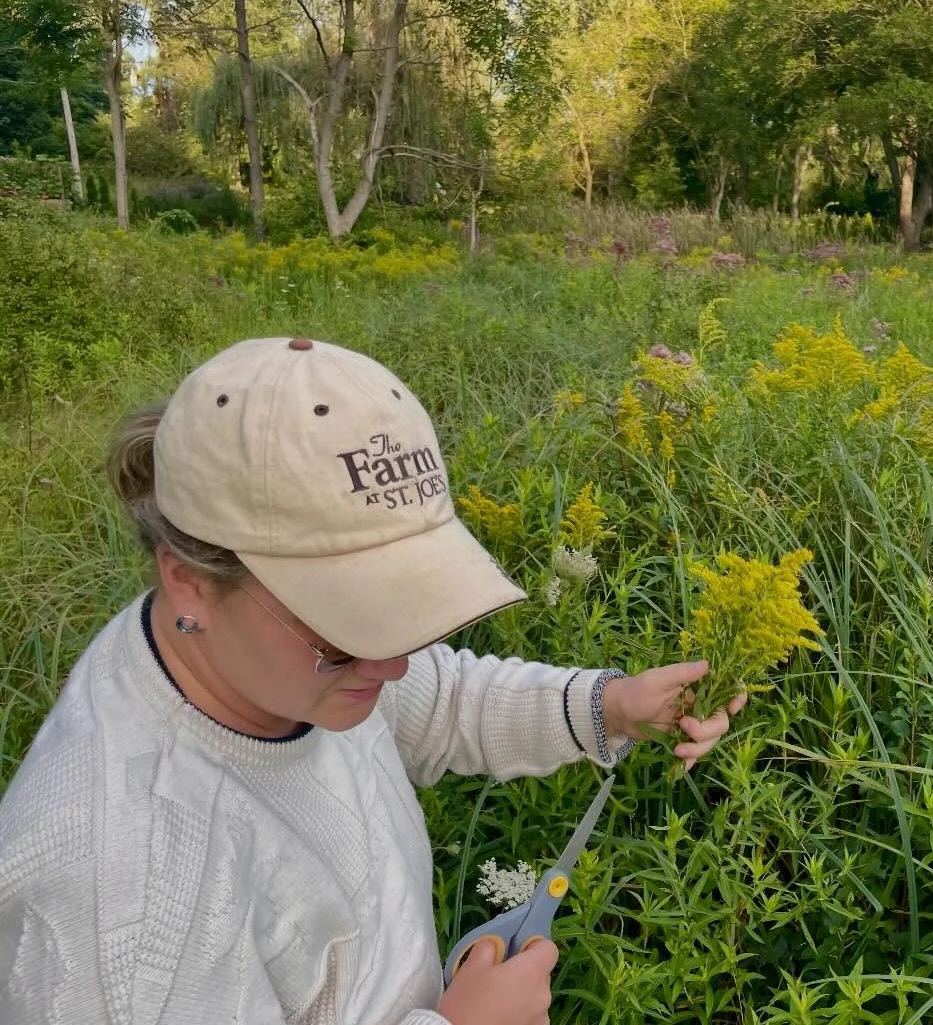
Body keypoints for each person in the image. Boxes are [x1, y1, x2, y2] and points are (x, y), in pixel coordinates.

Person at [0, 336, 745, 1024]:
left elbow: (440, 698)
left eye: (401, 611)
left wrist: (612, 705)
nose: (390, 664)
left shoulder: (251, 659)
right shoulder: (118, 903)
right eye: (344, 625)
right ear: (189, 578)